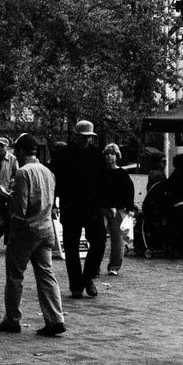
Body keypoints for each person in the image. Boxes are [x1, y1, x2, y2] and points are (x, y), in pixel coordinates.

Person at [0, 133, 66, 337]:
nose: (15, 154)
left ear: (23, 152)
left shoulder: (23, 173)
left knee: (15, 275)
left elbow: (21, 208)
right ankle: (55, 319)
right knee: (46, 275)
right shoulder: (48, 172)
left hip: (27, 231)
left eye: (16, 150)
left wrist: (12, 218)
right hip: (46, 229)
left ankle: (12, 318)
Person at [52, 120, 106, 298]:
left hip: (92, 206)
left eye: (89, 137)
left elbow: (103, 181)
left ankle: (88, 277)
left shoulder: (97, 155)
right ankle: (76, 285)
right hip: (71, 206)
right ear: (75, 136)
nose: (86, 140)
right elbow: (55, 181)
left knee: (99, 242)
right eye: (83, 137)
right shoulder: (63, 155)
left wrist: (105, 204)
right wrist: (53, 203)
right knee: (71, 247)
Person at [101, 143, 135, 275]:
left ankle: (114, 266)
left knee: (117, 239)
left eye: (112, 154)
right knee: (99, 238)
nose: (109, 156)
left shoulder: (122, 173)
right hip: (103, 208)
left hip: (118, 208)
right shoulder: (101, 173)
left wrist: (130, 208)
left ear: (117, 156)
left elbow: (129, 191)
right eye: (107, 154)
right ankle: (95, 266)